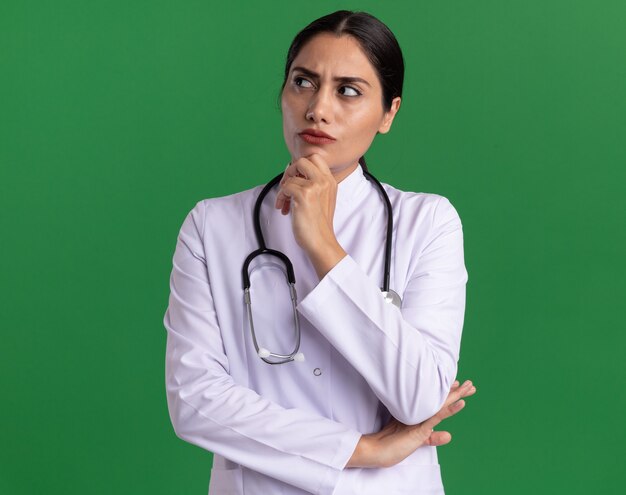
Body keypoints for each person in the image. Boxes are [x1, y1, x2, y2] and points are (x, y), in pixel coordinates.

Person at [163, 10, 476, 495]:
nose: (318, 109)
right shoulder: (212, 226)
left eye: (348, 90)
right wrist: (364, 450)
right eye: (303, 82)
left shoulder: (428, 223)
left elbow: (419, 398)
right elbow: (196, 400)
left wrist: (323, 247)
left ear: (389, 113)